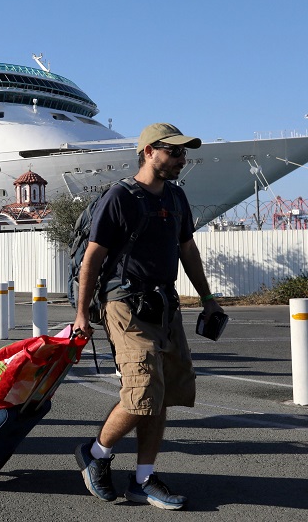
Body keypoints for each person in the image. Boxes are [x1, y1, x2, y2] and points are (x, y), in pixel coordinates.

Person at [72, 123, 224, 510]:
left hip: (164, 305)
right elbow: (93, 258)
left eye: (183, 153)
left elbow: (187, 250)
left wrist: (207, 299)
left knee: (165, 391)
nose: (181, 160)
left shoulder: (176, 198)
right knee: (142, 391)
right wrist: (81, 315)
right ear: (149, 151)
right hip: (124, 303)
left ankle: (143, 479)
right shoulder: (119, 197)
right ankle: (96, 453)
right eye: (174, 153)